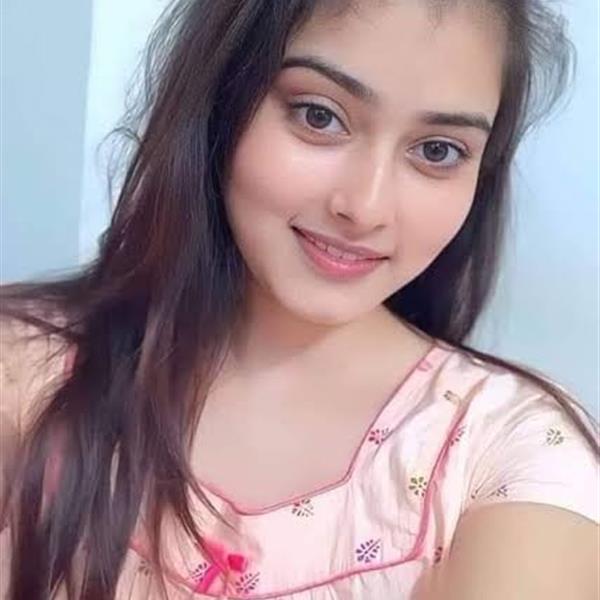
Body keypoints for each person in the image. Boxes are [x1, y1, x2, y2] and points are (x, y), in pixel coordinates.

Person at [0, 0, 598, 598]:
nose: (365, 207)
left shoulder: (513, 449)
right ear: (221, 99)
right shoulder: (25, 370)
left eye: (437, 151)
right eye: (320, 116)